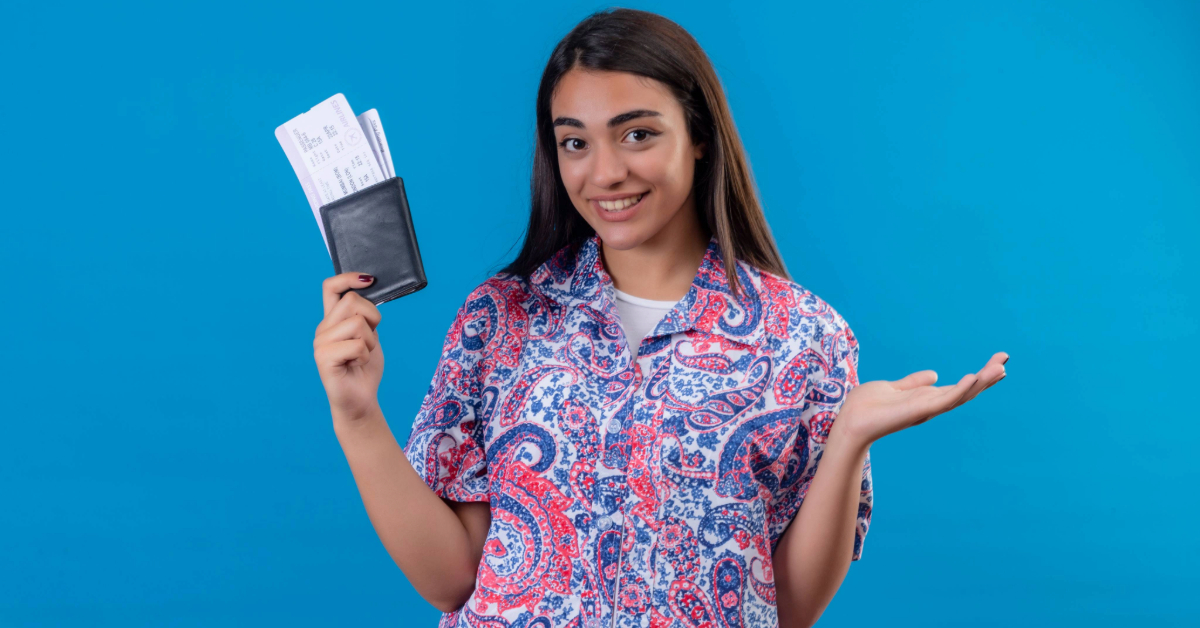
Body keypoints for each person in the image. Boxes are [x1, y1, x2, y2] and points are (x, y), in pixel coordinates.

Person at [312, 8, 1007, 628]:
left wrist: (851, 438)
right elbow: (451, 578)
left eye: (637, 134)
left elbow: (785, 610)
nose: (604, 172)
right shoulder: (501, 318)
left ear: (699, 136)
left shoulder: (807, 337)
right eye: (575, 142)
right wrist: (357, 415)